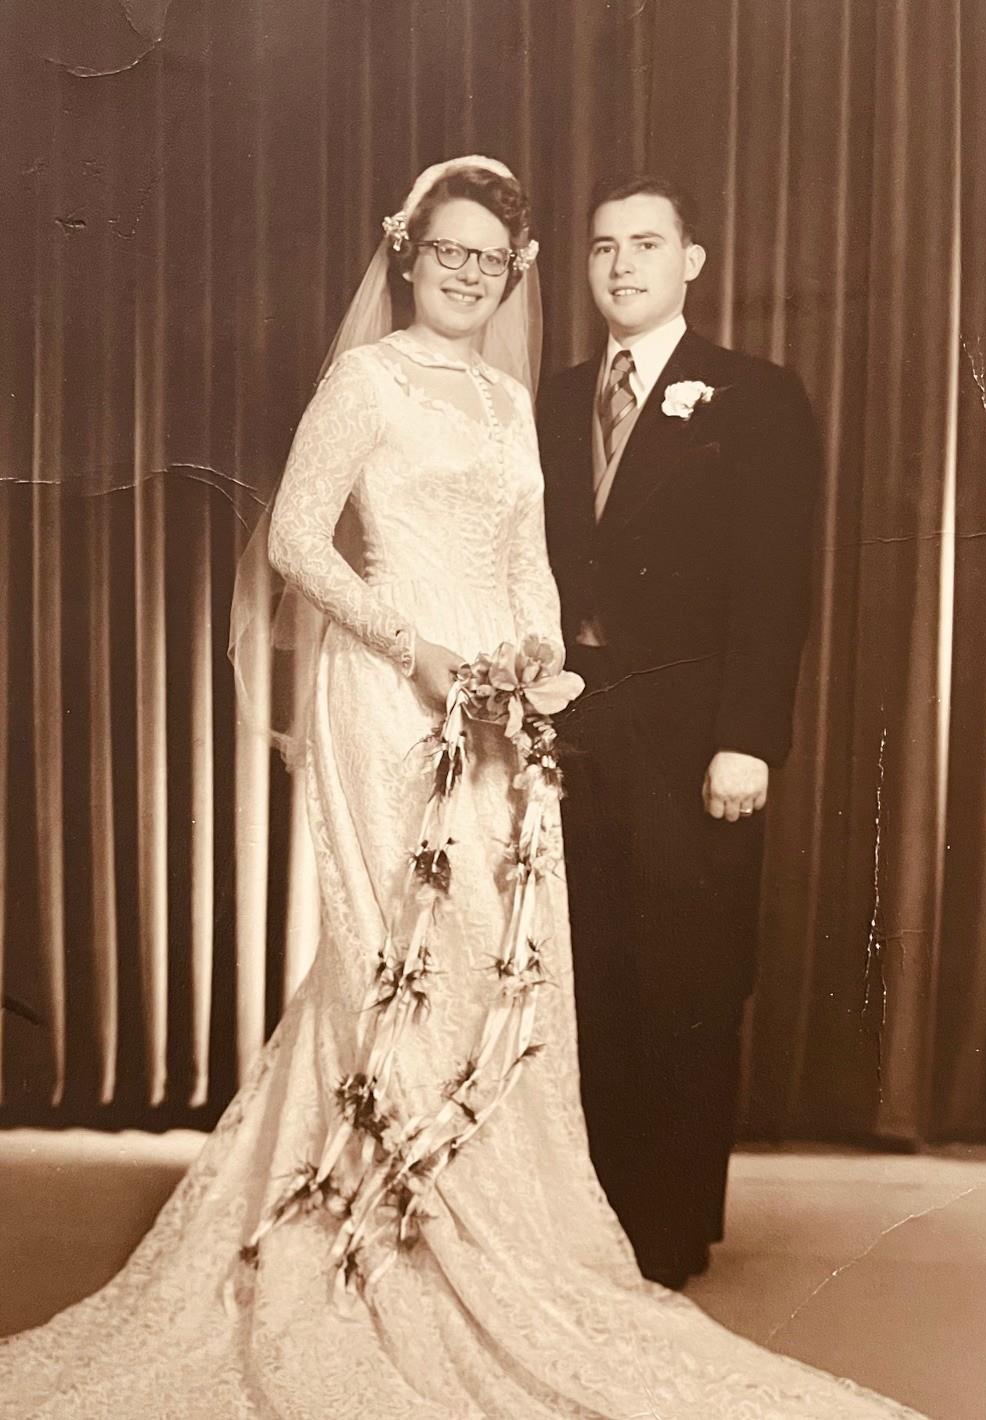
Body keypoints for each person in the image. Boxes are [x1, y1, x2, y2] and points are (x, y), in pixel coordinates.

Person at [0, 156, 921, 1419]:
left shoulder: (503, 400)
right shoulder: (366, 381)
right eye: (450, 253)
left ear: (510, 275)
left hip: (496, 703)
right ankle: (371, 1219)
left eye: (490, 260)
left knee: (499, 954)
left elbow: (530, 560)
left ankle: (498, 1229)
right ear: (408, 254)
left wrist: (536, 656)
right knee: (395, 953)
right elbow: (294, 541)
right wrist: (412, 649)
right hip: (388, 696)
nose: (469, 274)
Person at [538, 174, 821, 1291]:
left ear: (691, 262)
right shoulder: (554, 397)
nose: (622, 265)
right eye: (603, 246)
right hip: (572, 732)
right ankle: (592, 1220)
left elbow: (776, 584)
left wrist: (748, 735)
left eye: (646, 244)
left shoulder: (755, 394)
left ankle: (667, 1233)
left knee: (689, 977)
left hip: (697, 734)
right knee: (593, 975)